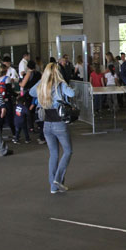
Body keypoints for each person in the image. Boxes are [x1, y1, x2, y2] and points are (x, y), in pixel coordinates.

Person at [29, 63, 75, 194]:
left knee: (53, 154)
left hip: (46, 124)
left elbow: (32, 92)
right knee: (68, 151)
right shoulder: (60, 84)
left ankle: (53, 187)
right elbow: (71, 93)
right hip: (59, 123)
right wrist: (62, 83)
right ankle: (58, 179)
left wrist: (42, 82)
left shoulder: (42, 84)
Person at [0, 64, 17, 140]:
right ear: (6, 70)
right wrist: (16, 95)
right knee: (10, 117)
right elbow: (9, 90)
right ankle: (15, 134)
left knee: (0, 119)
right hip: (7, 100)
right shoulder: (7, 78)